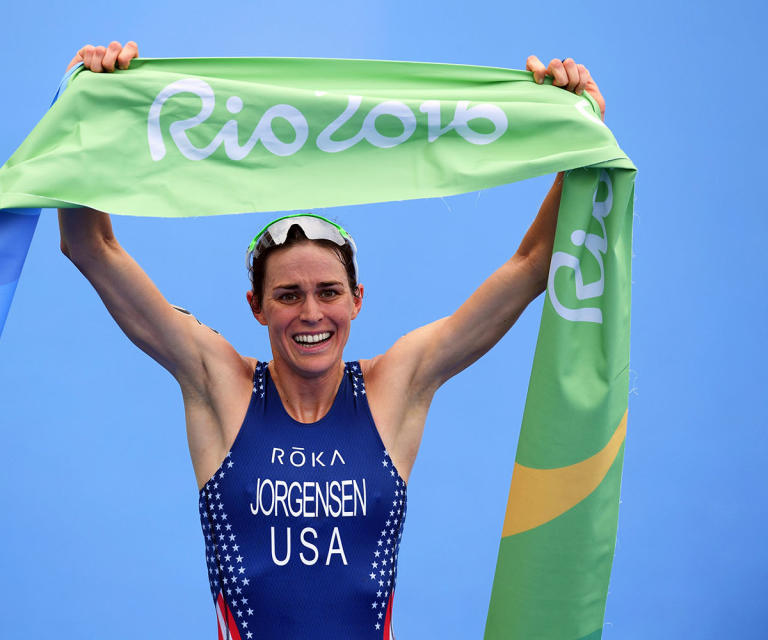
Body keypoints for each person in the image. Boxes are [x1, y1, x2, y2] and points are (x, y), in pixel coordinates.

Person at [58, 41, 605, 640]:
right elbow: (92, 247)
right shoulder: (221, 385)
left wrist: (579, 133)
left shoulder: (397, 384)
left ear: (356, 300)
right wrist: (84, 111)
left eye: (328, 292)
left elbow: (532, 264)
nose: (310, 313)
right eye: (288, 295)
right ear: (257, 307)